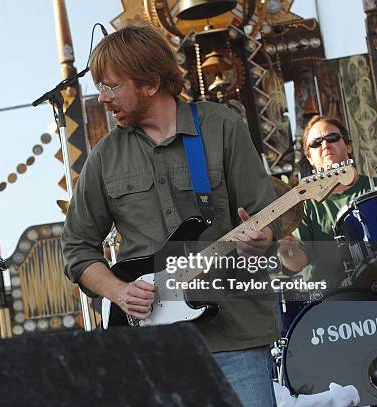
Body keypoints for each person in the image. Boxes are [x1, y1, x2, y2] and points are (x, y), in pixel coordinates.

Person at [61, 24, 280, 406]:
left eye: (112, 86)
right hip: (154, 349)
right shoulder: (104, 158)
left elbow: (264, 218)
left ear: (149, 83)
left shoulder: (222, 127)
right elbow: (77, 248)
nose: (103, 98)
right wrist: (120, 292)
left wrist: (262, 239)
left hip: (235, 337)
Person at [278, 115, 377, 289]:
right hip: (332, 302)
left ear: (348, 146)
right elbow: (298, 262)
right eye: (316, 143)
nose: (325, 145)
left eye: (332, 138)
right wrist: (286, 251)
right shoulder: (305, 204)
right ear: (310, 158)